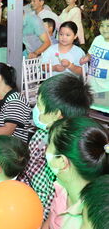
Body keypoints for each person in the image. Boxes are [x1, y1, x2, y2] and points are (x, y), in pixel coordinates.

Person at [18, 73, 93, 219]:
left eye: (39, 105)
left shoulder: (59, 155)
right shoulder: (42, 134)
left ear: (56, 115)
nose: (35, 109)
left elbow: (46, 200)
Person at [42, 117, 109, 229]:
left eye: (49, 144)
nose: (45, 149)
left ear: (62, 162)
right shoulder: (61, 186)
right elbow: (50, 220)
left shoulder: (88, 219)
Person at [80, 17, 109, 93]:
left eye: (108, 26)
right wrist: (86, 58)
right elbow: (91, 54)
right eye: (102, 25)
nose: (104, 29)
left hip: (106, 88)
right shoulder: (98, 39)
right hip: (92, 85)